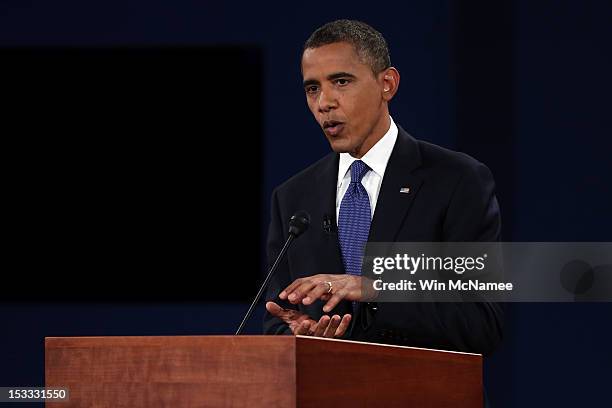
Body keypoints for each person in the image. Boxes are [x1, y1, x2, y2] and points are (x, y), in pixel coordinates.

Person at [263, 19, 503, 355]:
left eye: (341, 82)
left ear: (387, 84)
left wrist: (375, 290)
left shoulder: (456, 180)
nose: (324, 102)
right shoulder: (292, 198)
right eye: (312, 88)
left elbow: (482, 323)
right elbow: (276, 315)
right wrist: (296, 334)